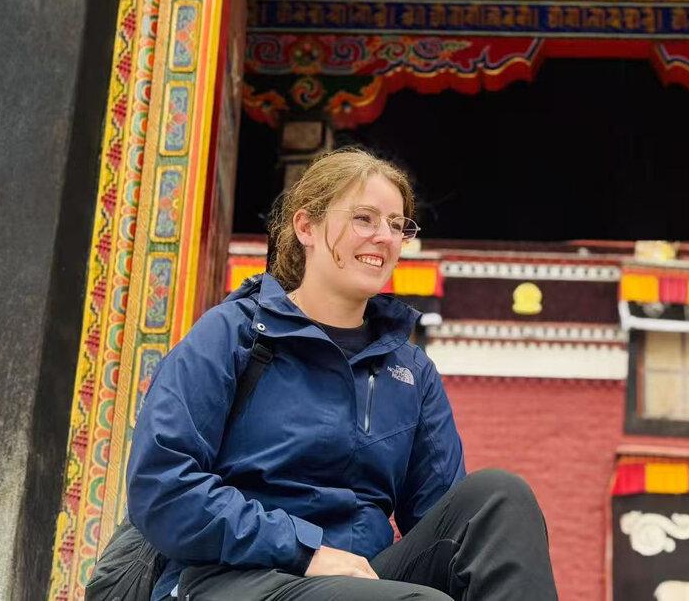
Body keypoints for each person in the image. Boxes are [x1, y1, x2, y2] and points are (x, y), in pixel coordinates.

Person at [126, 147, 558, 601]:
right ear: (306, 226)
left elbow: (444, 523)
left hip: (360, 581)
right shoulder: (233, 335)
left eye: (397, 225)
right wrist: (304, 550)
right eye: (365, 218)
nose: (384, 237)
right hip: (232, 577)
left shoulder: (409, 371)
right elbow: (161, 486)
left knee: (498, 497)